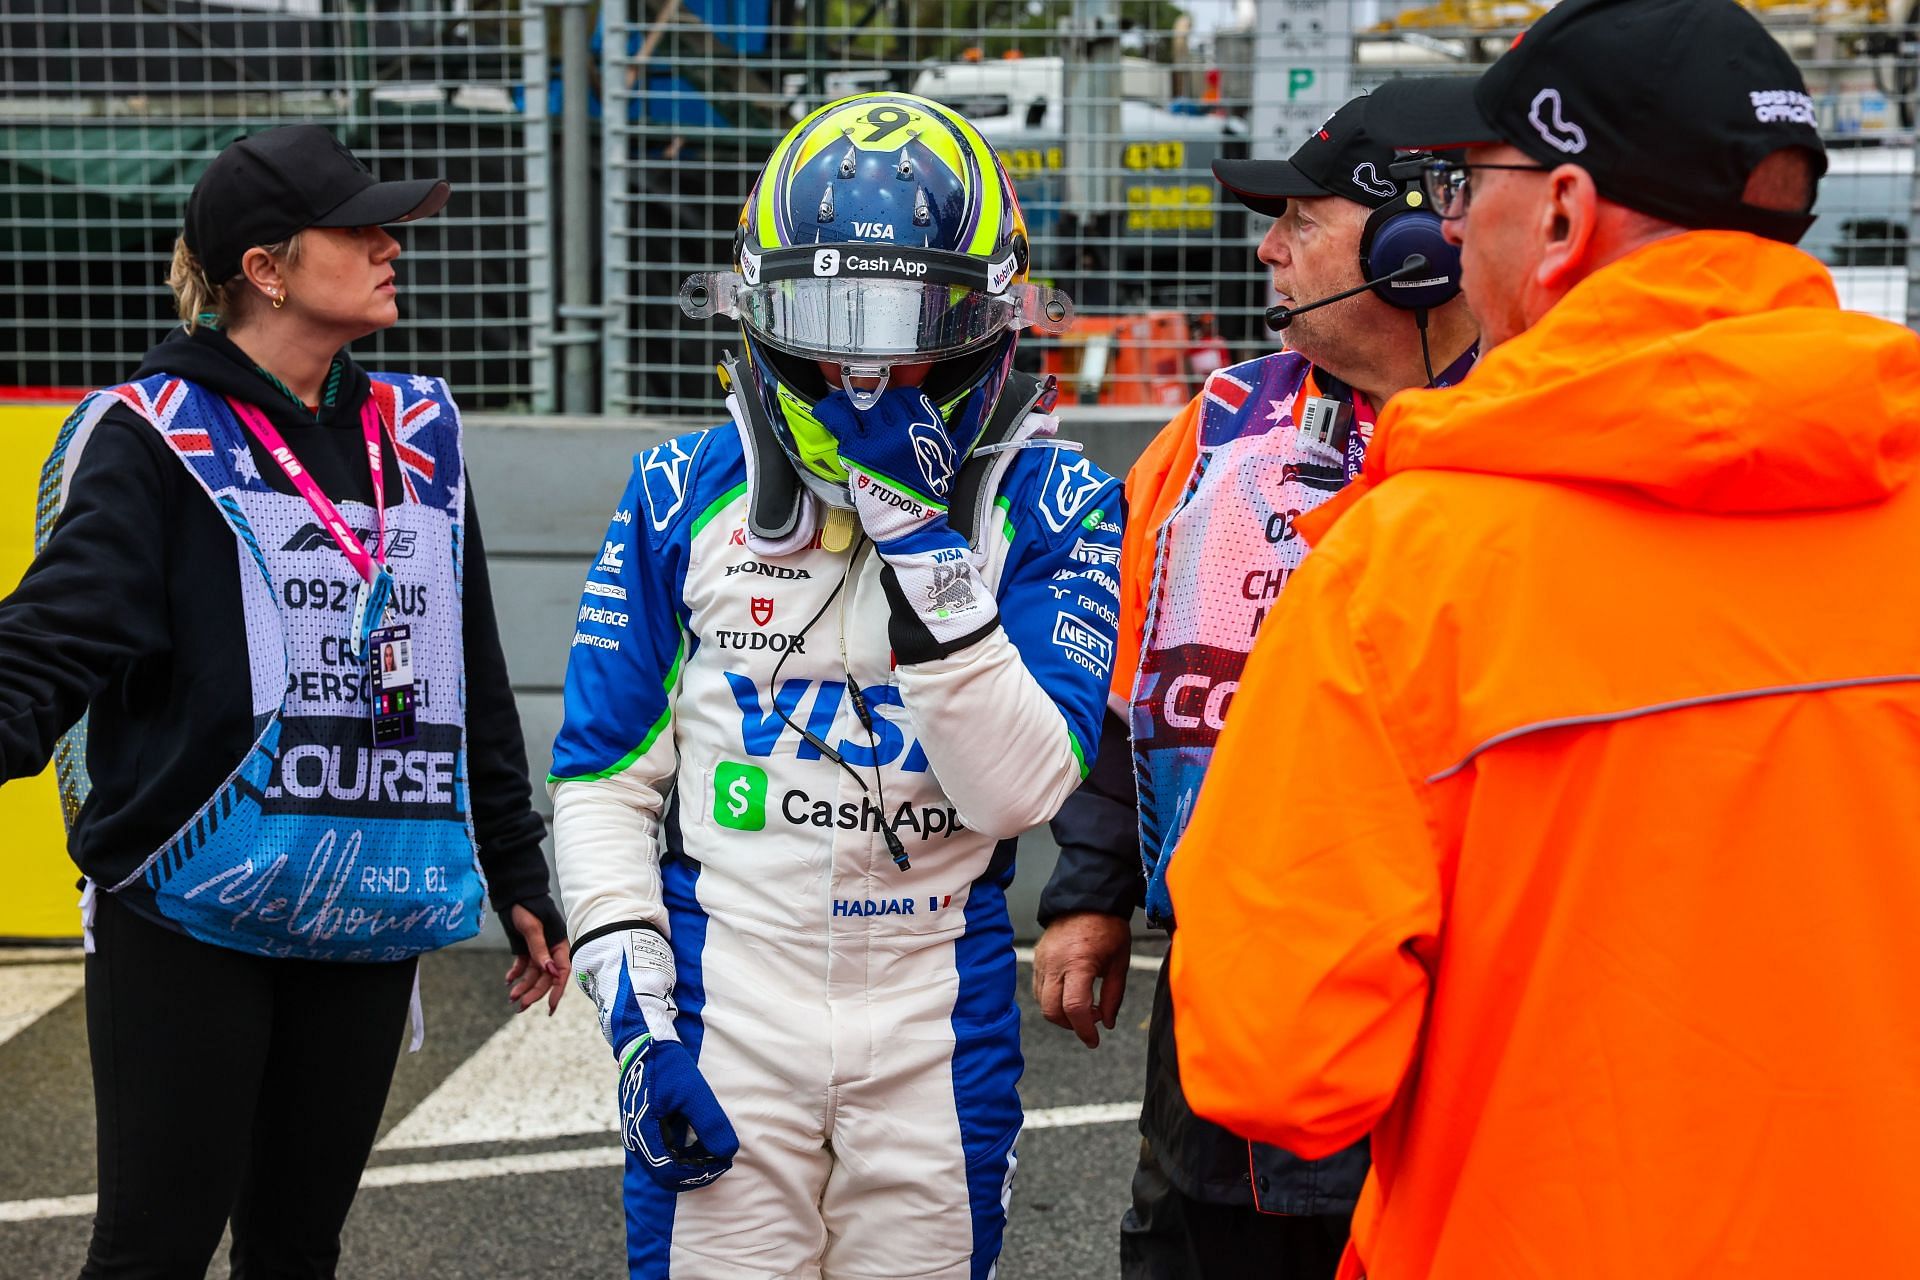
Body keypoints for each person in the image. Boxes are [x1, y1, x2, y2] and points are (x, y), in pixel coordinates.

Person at [1167, 1, 1920, 1276]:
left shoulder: (1402, 574)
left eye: (1471, 182)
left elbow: (1276, 1059)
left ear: (1563, 214)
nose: (1450, 224)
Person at [550, 92, 1123, 1278]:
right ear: (761, 307)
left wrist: (923, 539)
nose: (865, 368)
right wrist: (638, 1021)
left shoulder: (1060, 501)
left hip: (934, 1005)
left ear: (990, 317)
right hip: (726, 992)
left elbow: (1017, 786)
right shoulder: (676, 486)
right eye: (824, 318)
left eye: (910, 322)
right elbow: (603, 778)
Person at [0, 124, 570, 1277]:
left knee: (297, 1248)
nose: (388, 243)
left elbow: (461, 663)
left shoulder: (417, 430)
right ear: (265, 268)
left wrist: (517, 865)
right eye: (357, 226)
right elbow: (52, 639)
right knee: (154, 1247)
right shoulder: (152, 434)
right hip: (192, 910)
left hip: (368, 902)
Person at [1031, 94, 1476, 1279]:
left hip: (1457, 1014)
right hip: (1225, 997)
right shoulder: (1217, 429)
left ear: (1420, 244)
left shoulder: (1530, 439)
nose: (1267, 249)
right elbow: (1127, 683)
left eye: (1297, 218)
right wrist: (1091, 889)